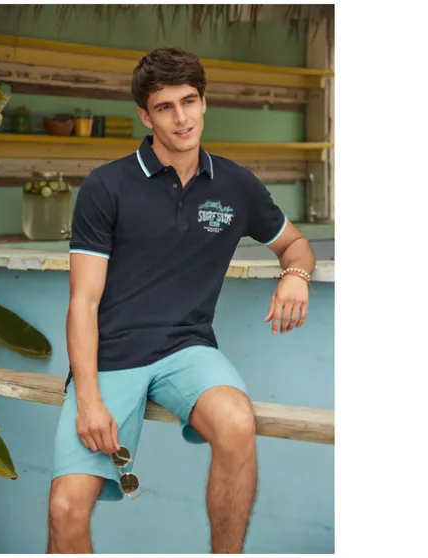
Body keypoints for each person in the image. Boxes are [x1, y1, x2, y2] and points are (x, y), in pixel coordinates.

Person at [47, 47, 316, 554]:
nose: (181, 117)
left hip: (187, 349)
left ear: (204, 102)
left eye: (189, 101)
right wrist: (89, 401)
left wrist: (296, 275)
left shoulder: (235, 184)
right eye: (165, 107)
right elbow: (83, 302)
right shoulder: (106, 186)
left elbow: (294, 244)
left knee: (237, 423)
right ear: (146, 116)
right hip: (112, 356)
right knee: (65, 509)